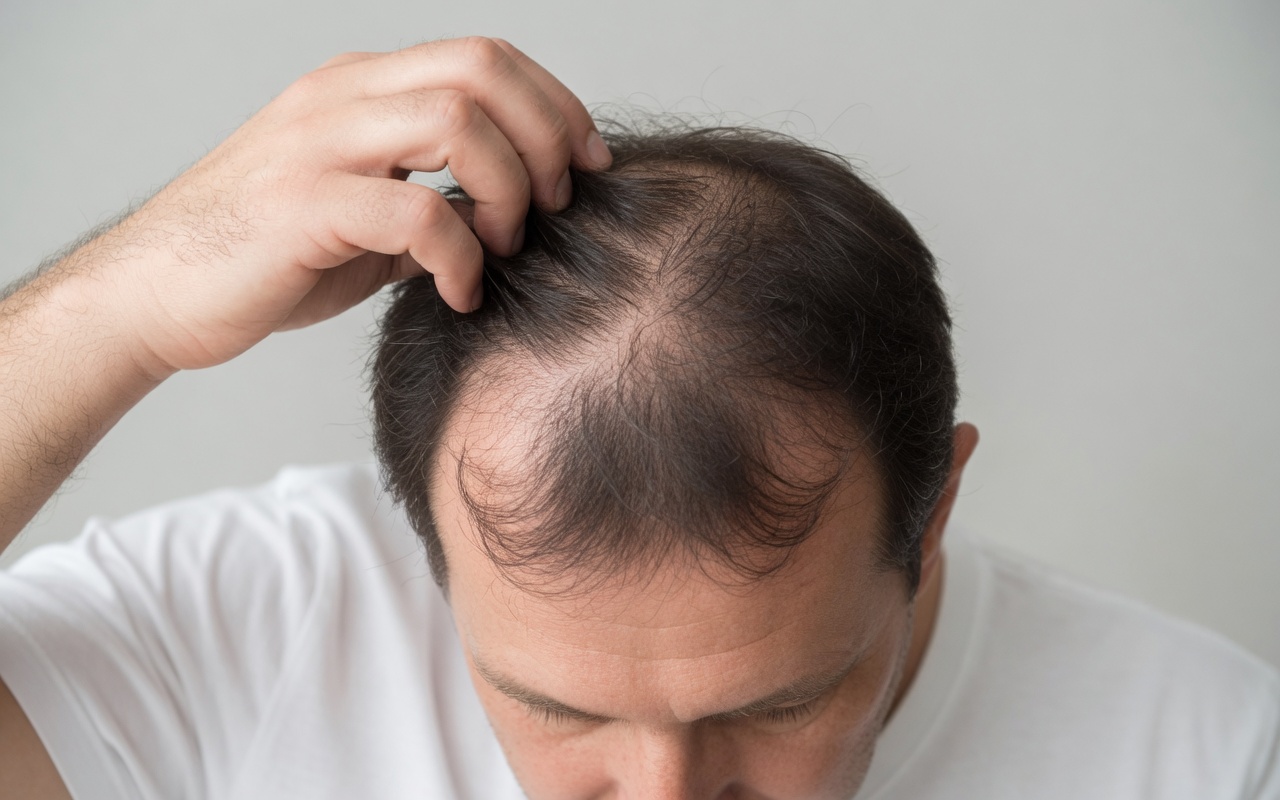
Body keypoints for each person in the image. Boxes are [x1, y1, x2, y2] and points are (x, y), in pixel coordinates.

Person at [0, 35, 1276, 800]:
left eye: (778, 704)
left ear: (931, 509)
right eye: (553, 706)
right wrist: (115, 305)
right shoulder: (241, 631)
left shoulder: (1206, 756)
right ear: (422, 538)